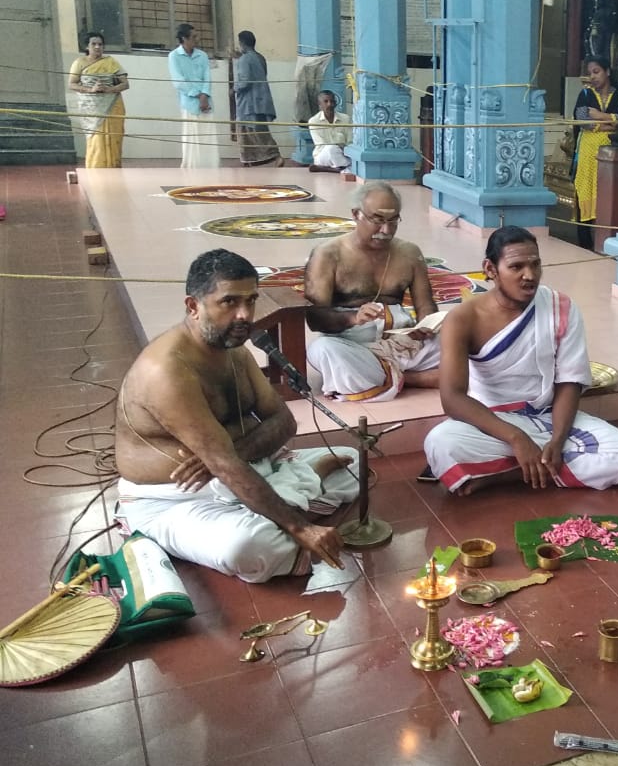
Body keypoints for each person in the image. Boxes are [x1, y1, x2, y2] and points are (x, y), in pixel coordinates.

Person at [114, 249, 359, 583]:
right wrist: (302, 529)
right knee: (249, 546)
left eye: (251, 300)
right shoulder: (167, 371)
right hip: (176, 500)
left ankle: (287, 494)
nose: (245, 315)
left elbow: (284, 421)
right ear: (193, 307)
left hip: (242, 469)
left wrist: (226, 458)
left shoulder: (234, 350)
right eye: (230, 302)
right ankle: (296, 496)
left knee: (356, 464)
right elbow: (227, 465)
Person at [423, 226, 618, 495]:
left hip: (548, 418)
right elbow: (453, 398)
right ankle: (541, 466)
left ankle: (509, 474)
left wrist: (558, 440)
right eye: (516, 267)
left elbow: (569, 382)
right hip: (491, 423)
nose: (529, 276)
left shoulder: (560, 307)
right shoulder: (462, 318)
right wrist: (517, 439)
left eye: (535, 265)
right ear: (490, 269)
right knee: (440, 443)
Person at [304, 181, 441, 401]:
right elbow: (314, 317)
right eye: (377, 220)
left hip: (404, 343)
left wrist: (426, 326)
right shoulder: (327, 255)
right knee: (323, 350)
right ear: (356, 214)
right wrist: (353, 317)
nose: (386, 230)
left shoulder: (409, 253)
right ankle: (416, 379)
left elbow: (425, 305)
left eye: (393, 220)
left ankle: (387, 376)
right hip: (353, 345)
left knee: (463, 340)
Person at [571, 56, 618, 249]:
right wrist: (607, 125)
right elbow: (582, 120)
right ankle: (585, 244)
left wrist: (602, 116)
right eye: (590, 73)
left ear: (608, 72)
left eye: (596, 72)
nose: (592, 77)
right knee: (585, 190)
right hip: (588, 153)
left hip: (613, 155)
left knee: (608, 193)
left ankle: (606, 242)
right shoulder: (585, 95)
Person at [68, 32, 129, 169]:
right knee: (95, 139)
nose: (97, 47)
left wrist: (108, 89)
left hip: (112, 105)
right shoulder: (79, 63)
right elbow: (72, 84)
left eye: (100, 44)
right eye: (93, 44)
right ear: (87, 46)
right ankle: (95, 170)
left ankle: (114, 169)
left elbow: (125, 84)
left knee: (114, 138)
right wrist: (91, 90)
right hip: (91, 107)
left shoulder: (111, 62)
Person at [167, 23, 220, 170]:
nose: (197, 39)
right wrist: (197, 95)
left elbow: (207, 78)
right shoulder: (174, 56)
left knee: (208, 137)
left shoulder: (202, 55)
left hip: (206, 103)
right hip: (189, 104)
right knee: (192, 138)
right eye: (194, 36)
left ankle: (211, 168)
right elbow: (178, 81)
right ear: (184, 38)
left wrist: (204, 95)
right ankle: (192, 169)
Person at [232, 30, 283, 167]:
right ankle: (251, 160)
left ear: (242, 43)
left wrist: (234, 89)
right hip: (261, 101)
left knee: (251, 132)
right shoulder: (260, 58)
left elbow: (244, 81)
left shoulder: (244, 59)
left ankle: (275, 156)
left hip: (248, 103)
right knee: (259, 129)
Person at [308, 90, 353, 173]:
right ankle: (345, 169)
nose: (329, 104)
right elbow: (322, 145)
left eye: (332, 101)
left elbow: (350, 141)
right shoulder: (314, 121)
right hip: (323, 156)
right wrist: (339, 146)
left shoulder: (345, 118)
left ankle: (333, 169)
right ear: (320, 105)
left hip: (343, 153)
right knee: (331, 148)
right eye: (326, 101)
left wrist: (343, 149)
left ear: (335, 103)